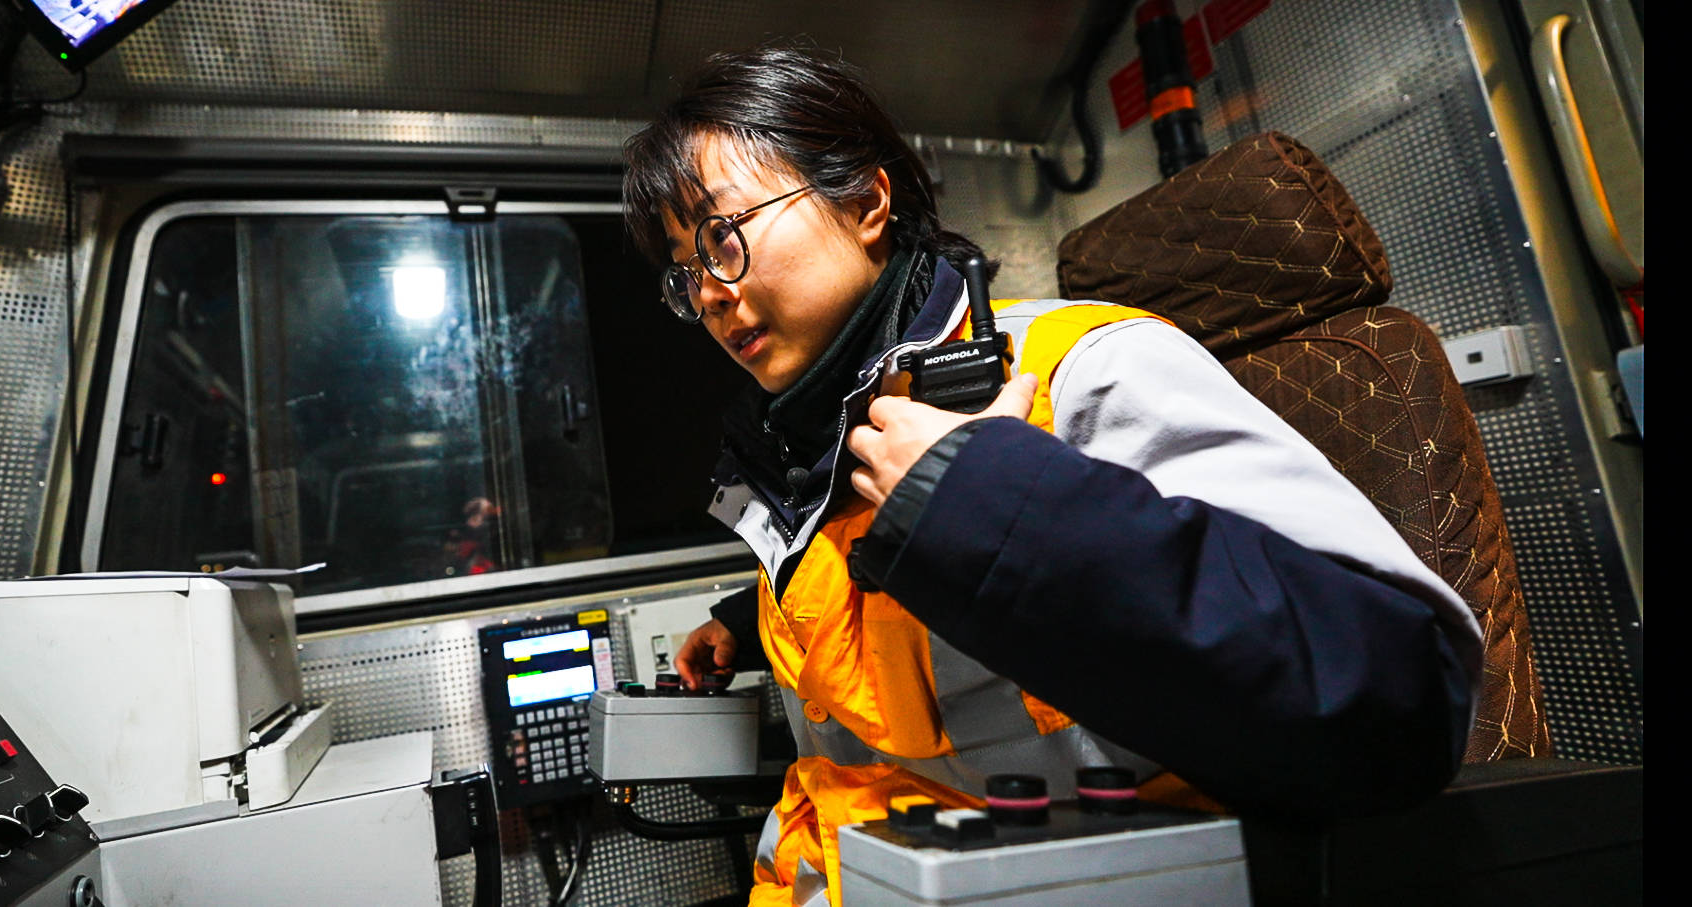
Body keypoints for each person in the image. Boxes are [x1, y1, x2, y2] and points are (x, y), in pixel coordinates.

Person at [626, 44, 1481, 907]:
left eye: (723, 237)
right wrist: (744, 622)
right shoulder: (806, 459)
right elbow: (892, 645)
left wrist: (988, 505)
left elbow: (1400, 702)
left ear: (864, 202)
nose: (709, 294)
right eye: (686, 269)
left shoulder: (1080, 371)